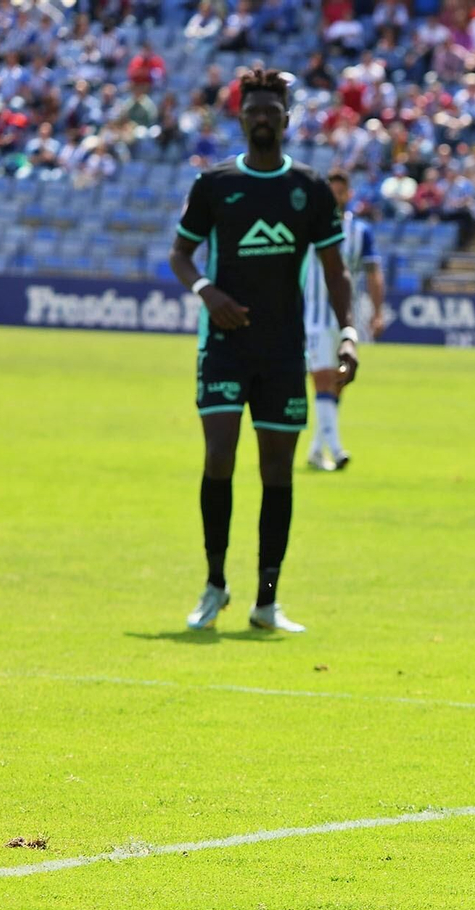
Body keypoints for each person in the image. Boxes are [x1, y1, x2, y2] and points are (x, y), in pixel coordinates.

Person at [170, 67, 356, 634]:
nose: (261, 118)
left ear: (286, 118)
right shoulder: (215, 184)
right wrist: (208, 292)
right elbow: (181, 256)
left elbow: (335, 271)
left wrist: (348, 334)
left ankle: (266, 600)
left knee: (277, 470)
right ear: (241, 116)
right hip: (224, 346)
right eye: (252, 110)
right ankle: (214, 584)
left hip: (282, 350)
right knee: (219, 456)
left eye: (271, 111)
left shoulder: (311, 189)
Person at [302, 169, 385, 472]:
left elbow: (374, 272)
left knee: (338, 382)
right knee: (322, 379)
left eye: (341, 192)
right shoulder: (307, 227)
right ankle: (337, 451)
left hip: (346, 319)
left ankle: (314, 450)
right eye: (331, 191)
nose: (336, 197)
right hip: (314, 317)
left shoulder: (360, 232)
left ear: (348, 195)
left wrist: (378, 312)